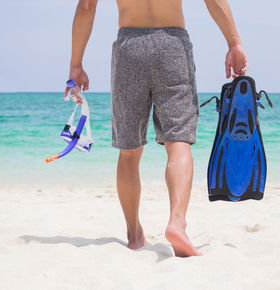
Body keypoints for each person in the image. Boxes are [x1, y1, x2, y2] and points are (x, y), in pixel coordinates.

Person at [65, 0, 248, 257]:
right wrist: (233, 42)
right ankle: (177, 222)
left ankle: (134, 234)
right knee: (179, 141)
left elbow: (86, 8)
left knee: (129, 149)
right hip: (172, 44)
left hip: (129, 48)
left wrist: (76, 63)